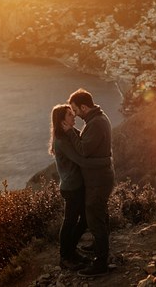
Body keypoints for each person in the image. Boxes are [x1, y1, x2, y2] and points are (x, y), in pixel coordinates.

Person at [48, 103, 111, 271]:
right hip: (71, 188)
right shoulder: (61, 141)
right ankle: (65, 256)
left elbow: (82, 141)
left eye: (73, 112)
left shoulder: (70, 134)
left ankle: (71, 250)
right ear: (62, 121)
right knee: (70, 222)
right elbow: (81, 160)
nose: (73, 116)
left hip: (78, 185)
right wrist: (106, 161)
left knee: (84, 220)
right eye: (69, 114)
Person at [64, 88, 114, 278]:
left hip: (98, 180)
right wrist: (75, 132)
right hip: (100, 177)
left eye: (76, 110)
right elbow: (88, 142)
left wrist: (69, 134)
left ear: (84, 107)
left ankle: (100, 262)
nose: (75, 114)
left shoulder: (95, 123)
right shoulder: (97, 119)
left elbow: (84, 150)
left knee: (95, 218)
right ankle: (100, 247)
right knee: (100, 214)